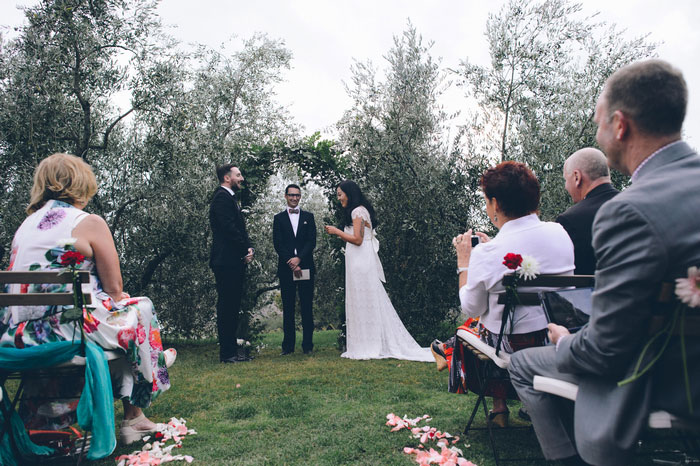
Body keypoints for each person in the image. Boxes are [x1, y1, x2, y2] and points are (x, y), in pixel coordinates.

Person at [508, 59, 700, 466]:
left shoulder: (630, 212)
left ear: (620, 125)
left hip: (662, 382)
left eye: (598, 123)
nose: (598, 133)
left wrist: (563, 340)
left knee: (523, 363)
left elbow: (605, 351)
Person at [0, 153, 175, 445]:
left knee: (123, 320)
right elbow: (115, 287)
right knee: (139, 307)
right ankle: (152, 368)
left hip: (18, 335)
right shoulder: (89, 222)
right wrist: (119, 300)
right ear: (82, 183)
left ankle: (139, 398)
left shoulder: (25, 226)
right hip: (67, 332)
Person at [435, 161, 574, 427]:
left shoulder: (488, 254)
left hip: (512, 345)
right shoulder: (560, 233)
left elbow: (471, 307)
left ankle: (498, 407)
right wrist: (494, 245)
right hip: (556, 338)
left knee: (469, 329)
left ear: (496, 204)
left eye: (486, 201)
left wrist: (465, 262)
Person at [324, 180, 432, 362]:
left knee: (365, 299)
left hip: (361, 262)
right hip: (358, 261)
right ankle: (363, 342)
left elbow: (358, 239)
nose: (339, 198)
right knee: (361, 299)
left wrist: (336, 232)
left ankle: (368, 344)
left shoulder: (357, 211)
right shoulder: (358, 211)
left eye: (340, 194)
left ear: (349, 193)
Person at [209, 164, 254, 363]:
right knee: (227, 307)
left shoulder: (229, 198)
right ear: (227, 178)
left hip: (232, 260)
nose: (241, 178)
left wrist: (247, 248)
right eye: (238, 175)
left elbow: (237, 229)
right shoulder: (221, 198)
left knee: (232, 306)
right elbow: (228, 229)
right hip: (225, 261)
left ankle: (232, 351)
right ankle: (227, 353)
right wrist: (245, 249)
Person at [556, 148, 619, 275]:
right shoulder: (633, 206)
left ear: (577, 177)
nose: (565, 186)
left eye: (565, 180)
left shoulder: (570, 220)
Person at [273, 184, 317, 355]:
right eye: (291, 195)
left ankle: (308, 346)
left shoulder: (309, 217)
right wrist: (291, 262)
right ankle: (288, 347)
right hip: (286, 269)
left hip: (306, 266)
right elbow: (278, 243)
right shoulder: (278, 218)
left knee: (307, 307)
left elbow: (311, 241)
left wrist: (299, 259)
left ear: (300, 196)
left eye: (297, 195)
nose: (294, 198)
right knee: (288, 307)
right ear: (285, 196)